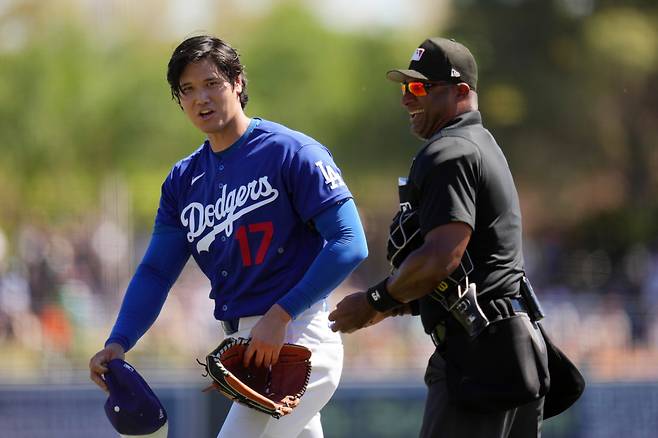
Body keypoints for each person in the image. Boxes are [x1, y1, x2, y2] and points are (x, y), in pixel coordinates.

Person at [89, 35, 368, 438]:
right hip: (247, 341)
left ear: (238, 82)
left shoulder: (291, 152)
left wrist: (281, 314)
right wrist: (119, 340)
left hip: (298, 334)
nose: (200, 98)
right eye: (187, 90)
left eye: (212, 83)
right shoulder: (184, 181)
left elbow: (349, 241)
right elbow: (155, 272)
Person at [328, 37, 547, 437]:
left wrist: (377, 300)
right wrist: (398, 306)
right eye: (404, 88)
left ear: (461, 92)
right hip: (508, 346)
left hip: (480, 354)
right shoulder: (480, 144)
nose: (406, 100)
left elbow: (442, 256)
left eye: (418, 88)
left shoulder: (450, 151)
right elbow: (470, 268)